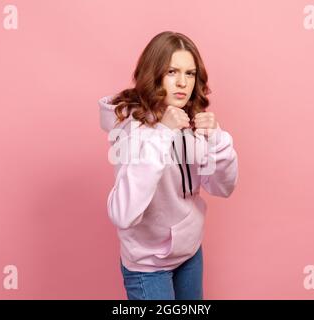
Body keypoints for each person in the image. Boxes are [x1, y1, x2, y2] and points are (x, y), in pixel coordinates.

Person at [99, 31, 238, 300]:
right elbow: (123, 213)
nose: (182, 83)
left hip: (189, 253)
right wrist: (163, 132)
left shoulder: (191, 119)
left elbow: (222, 187)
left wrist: (219, 141)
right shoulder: (131, 130)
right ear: (155, 73)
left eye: (190, 73)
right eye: (172, 71)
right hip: (147, 266)